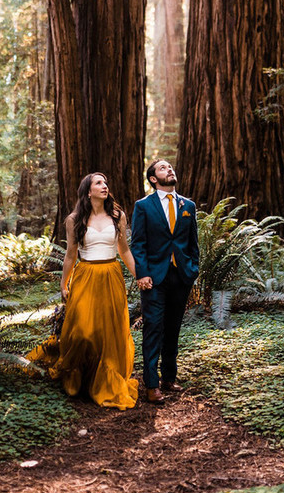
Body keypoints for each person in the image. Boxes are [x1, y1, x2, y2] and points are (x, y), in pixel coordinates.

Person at [27, 172, 138, 410]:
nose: (105, 186)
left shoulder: (118, 215)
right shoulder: (74, 219)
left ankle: (105, 380)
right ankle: (78, 376)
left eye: (106, 182)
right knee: (82, 330)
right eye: (99, 183)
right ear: (88, 191)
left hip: (111, 275)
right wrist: (63, 283)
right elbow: (70, 255)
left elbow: (125, 250)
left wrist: (140, 274)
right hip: (85, 275)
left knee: (111, 330)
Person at [130, 159, 199, 405]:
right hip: (154, 278)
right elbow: (137, 244)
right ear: (153, 179)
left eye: (170, 167)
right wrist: (142, 273)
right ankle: (151, 384)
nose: (169, 169)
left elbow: (193, 243)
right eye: (162, 168)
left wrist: (193, 270)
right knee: (153, 328)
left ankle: (169, 378)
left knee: (173, 328)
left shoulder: (188, 205)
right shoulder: (143, 206)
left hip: (181, 277)